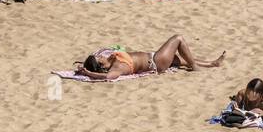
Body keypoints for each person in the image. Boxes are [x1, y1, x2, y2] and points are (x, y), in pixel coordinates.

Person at [75, 37, 226, 79]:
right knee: (178, 39)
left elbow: (98, 59)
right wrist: (88, 73)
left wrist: (83, 66)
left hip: (154, 57)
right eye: (97, 57)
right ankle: (195, 67)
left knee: (183, 58)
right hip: (156, 62)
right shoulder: (116, 68)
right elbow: (107, 76)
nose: (99, 55)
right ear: (99, 64)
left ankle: (213, 64)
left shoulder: (110, 59)